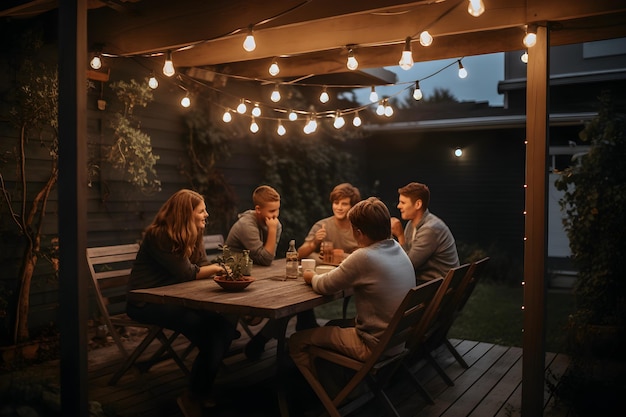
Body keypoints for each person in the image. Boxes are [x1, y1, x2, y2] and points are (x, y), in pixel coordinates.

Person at [126, 189, 237, 417]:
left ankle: (199, 391)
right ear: (187, 213)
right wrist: (216, 269)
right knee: (210, 334)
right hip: (146, 302)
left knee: (224, 328)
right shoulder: (160, 235)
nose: (207, 214)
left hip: (177, 299)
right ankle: (193, 397)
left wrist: (208, 261)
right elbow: (187, 272)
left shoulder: (193, 232)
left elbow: (200, 264)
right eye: (201, 210)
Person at [289, 197, 415, 384]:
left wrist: (310, 276)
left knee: (296, 340)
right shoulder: (395, 248)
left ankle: (323, 397)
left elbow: (325, 286)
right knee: (332, 323)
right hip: (396, 339)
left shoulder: (365, 256)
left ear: (358, 232)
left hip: (373, 344)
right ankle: (338, 382)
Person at [390, 182, 459, 284]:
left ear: (418, 204)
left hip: (440, 287)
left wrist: (400, 235)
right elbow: (406, 255)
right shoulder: (411, 224)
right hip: (429, 282)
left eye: (403, 202)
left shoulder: (430, 230)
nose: (398, 206)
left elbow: (408, 265)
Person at [297, 182, 361, 261]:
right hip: (324, 270)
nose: (339, 208)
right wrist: (315, 242)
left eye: (344, 204)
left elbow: (366, 256)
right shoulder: (321, 225)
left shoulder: (359, 228)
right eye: (336, 203)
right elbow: (299, 254)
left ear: (352, 206)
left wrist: (339, 255)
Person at [225, 185, 282, 266]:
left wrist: (273, 229)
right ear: (258, 209)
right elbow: (266, 259)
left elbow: (269, 256)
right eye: (272, 211)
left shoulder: (275, 224)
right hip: (234, 269)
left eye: (278, 209)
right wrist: (272, 231)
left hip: (254, 268)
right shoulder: (246, 224)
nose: (275, 215)